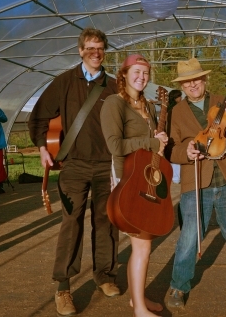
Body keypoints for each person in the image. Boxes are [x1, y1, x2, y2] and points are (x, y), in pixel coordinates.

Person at [28, 28, 120, 316]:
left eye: (100, 48)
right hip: (75, 165)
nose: (95, 53)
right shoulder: (65, 81)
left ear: (104, 51)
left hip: (107, 165)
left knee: (107, 222)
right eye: (90, 48)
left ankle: (104, 276)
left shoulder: (114, 86)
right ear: (80, 51)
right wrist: (43, 148)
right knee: (72, 224)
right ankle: (63, 287)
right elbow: (40, 114)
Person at [165, 58, 226, 309]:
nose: (192, 84)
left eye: (196, 79)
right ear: (182, 85)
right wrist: (186, 152)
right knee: (189, 239)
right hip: (195, 182)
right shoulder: (176, 112)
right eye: (187, 81)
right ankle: (179, 286)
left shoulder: (223, 103)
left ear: (204, 79)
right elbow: (171, 149)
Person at [101, 54, 168, 317]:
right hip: (127, 179)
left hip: (147, 178)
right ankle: (139, 308)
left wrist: (159, 139)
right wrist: (151, 143)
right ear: (124, 74)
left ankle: (136, 299)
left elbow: (151, 142)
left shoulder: (147, 105)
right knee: (142, 244)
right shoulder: (114, 104)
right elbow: (115, 146)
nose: (142, 77)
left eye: (146, 73)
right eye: (136, 72)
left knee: (144, 243)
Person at [167, 89, 183, 184]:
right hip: (175, 133)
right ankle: (177, 177)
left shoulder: (168, 108)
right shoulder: (177, 108)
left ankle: (176, 177)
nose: (181, 98)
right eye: (179, 97)